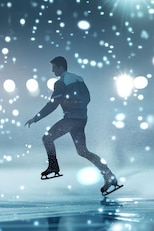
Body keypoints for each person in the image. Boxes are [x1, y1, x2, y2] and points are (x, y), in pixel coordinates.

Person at [25, 56, 122, 196]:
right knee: (82, 151)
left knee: (47, 139)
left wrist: (36, 118)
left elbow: (52, 104)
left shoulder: (61, 83)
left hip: (71, 119)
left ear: (60, 67)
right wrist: (79, 108)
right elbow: (88, 98)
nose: (52, 71)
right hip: (81, 119)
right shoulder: (79, 78)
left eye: (54, 67)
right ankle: (109, 175)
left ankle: (53, 167)